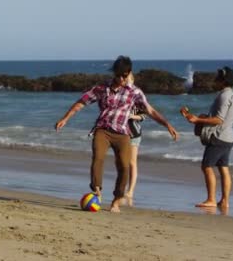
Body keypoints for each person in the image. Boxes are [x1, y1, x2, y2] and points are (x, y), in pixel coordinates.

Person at [55, 56, 179, 212]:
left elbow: (150, 110)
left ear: (129, 73)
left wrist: (167, 124)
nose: (122, 79)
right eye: (119, 75)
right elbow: (82, 102)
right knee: (98, 158)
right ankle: (97, 191)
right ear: (114, 73)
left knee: (124, 167)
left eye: (125, 75)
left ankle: (116, 201)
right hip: (103, 130)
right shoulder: (102, 88)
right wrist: (65, 118)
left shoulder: (134, 92)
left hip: (122, 133)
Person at [180, 66, 233, 209]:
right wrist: (192, 117)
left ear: (223, 80)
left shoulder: (224, 96)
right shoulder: (229, 94)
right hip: (228, 138)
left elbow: (218, 120)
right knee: (223, 168)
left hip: (218, 138)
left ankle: (211, 199)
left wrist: (198, 120)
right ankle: (224, 201)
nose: (215, 79)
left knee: (206, 166)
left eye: (218, 77)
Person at [122, 73, 145, 207]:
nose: (126, 81)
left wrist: (131, 116)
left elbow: (144, 115)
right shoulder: (121, 94)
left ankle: (130, 191)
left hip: (134, 133)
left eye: (128, 79)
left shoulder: (137, 95)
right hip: (121, 132)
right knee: (122, 162)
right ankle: (122, 187)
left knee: (132, 162)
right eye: (125, 79)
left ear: (133, 80)